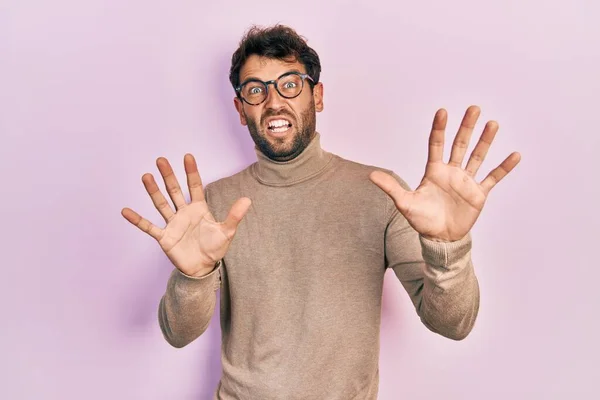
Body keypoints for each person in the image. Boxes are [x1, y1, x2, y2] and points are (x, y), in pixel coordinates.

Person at [121, 24, 521, 400]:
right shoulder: (214, 205)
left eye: (290, 84)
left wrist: (446, 246)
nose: (274, 101)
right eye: (255, 90)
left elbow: (454, 323)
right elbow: (177, 333)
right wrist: (192, 276)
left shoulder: (382, 192)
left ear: (318, 96)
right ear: (241, 109)